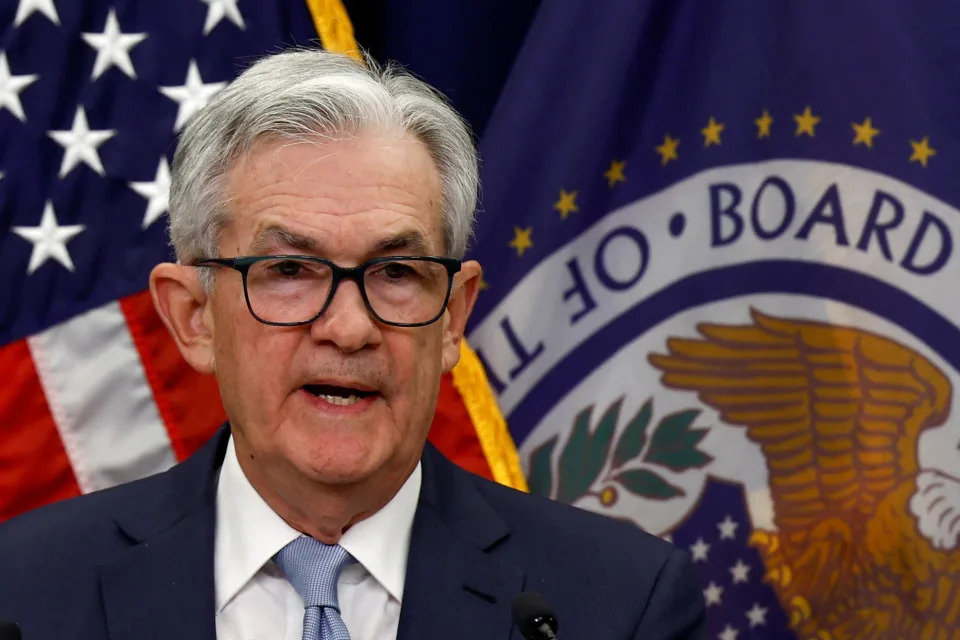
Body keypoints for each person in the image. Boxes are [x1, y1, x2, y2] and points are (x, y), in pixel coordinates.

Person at [0, 49, 705, 639]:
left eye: (396, 272)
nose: (348, 327)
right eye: (289, 271)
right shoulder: (24, 595)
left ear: (453, 317)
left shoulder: (619, 605)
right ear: (194, 317)